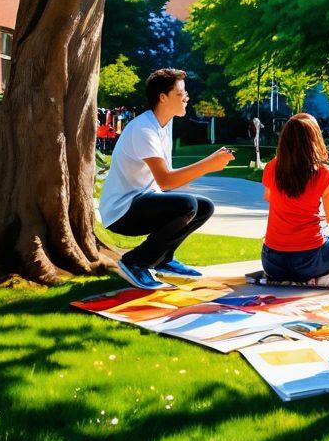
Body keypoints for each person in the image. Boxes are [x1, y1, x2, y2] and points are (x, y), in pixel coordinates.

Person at [100, 68, 235, 290]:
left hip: (144, 201)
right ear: (163, 98)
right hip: (121, 211)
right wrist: (209, 164)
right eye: (181, 94)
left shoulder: (164, 124)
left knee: (203, 207)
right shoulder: (144, 129)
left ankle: (163, 258)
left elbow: (170, 181)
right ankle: (135, 261)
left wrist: (210, 165)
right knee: (187, 205)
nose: (187, 98)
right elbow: (165, 181)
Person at [260, 113, 329, 287]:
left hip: (272, 264)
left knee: (325, 238)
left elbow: (268, 196)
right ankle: (323, 278)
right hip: (308, 262)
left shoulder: (271, 167)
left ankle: (304, 277)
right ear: (315, 139)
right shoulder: (323, 173)